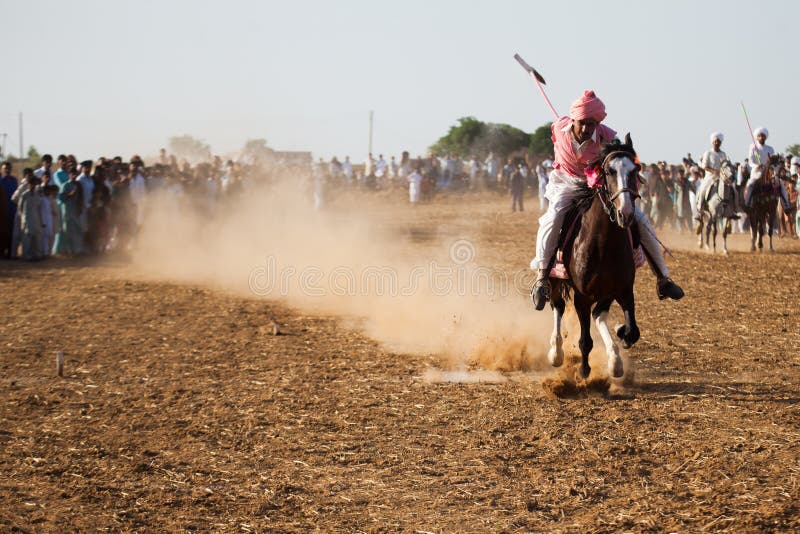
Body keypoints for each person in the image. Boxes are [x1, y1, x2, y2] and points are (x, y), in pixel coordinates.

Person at [530, 90, 684, 310]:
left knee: (640, 219)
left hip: (596, 187)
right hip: (565, 184)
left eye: (591, 124)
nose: (586, 128)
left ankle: (663, 279)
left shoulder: (608, 138)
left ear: (598, 123)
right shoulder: (558, 127)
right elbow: (557, 134)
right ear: (573, 119)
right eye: (582, 122)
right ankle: (542, 278)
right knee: (553, 217)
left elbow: (621, 160)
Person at [744, 128, 791, 210]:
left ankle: (786, 205)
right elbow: (750, 161)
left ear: (765, 137)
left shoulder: (770, 149)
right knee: (750, 184)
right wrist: (756, 165)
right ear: (757, 137)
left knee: (780, 184)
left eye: (763, 136)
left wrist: (769, 166)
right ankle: (748, 204)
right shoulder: (753, 147)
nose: (761, 138)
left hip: (769, 172)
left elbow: (773, 161)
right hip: (757, 172)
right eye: (759, 136)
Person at [695, 132, 733, 225]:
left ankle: (732, 211)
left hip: (721, 177)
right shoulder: (708, 153)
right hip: (710, 177)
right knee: (703, 189)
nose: (717, 143)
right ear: (712, 142)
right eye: (715, 141)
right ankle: (700, 211)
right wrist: (714, 171)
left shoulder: (723, 154)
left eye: (719, 141)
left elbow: (726, 164)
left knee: (733, 190)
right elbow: (704, 166)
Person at [11, 169, 43, 261]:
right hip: (21, 214)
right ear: (25, 176)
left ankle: (32, 254)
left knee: (32, 235)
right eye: (28, 175)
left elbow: (38, 202)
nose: (30, 177)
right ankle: (14, 254)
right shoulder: (22, 187)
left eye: (31, 175)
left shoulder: (36, 187)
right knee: (18, 235)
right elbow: (14, 198)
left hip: (32, 215)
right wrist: (24, 208)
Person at [53, 167, 84, 255]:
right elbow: (60, 198)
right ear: (69, 175)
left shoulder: (78, 185)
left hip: (75, 211)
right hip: (66, 212)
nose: (74, 176)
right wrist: (70, 194)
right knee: (66, 231)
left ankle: (75, 250)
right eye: (72, 174)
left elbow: (80, 198)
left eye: (75, 174)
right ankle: (66, 250)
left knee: (76, 231)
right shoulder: (65, 185)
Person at [0, 162, 18, 257]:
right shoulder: (1, 181)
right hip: (2, 211)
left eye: (8, 168)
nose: (7, 170)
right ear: (2, 169)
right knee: (2, 232)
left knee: (12, 232)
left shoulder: (14, 180)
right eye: (5, 168)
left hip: (12, 210)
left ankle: (11, 253)